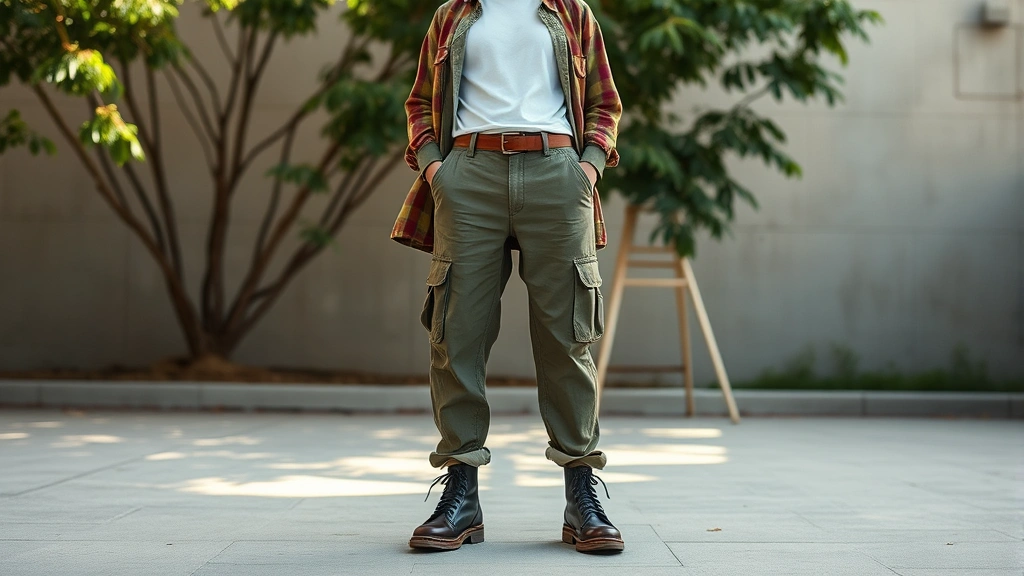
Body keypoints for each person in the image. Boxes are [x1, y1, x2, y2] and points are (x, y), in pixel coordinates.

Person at [390, 0, 623, 554]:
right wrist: (437, 170)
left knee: (569, 336)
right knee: (457, 333)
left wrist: (587, 169)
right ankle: (461, 495)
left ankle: (581, 497)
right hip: (469, 176)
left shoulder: (572, 12)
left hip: (557, 173)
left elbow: (604, 103)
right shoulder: (452, 14)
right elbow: (420, 102)